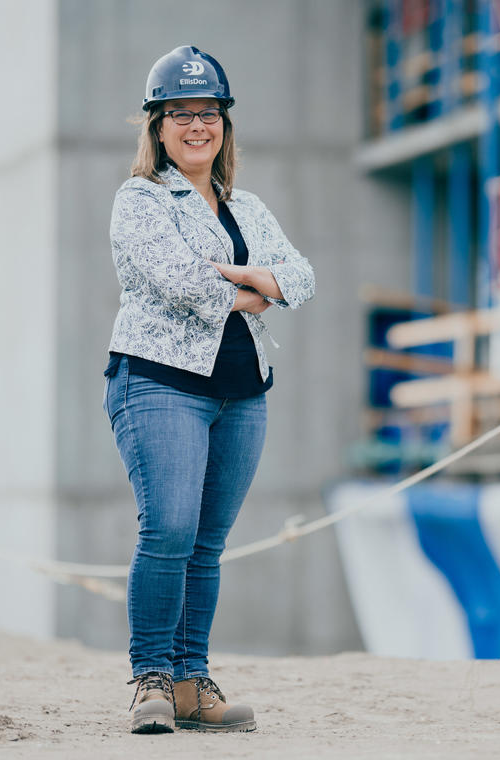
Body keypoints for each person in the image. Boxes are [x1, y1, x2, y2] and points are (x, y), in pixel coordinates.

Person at [102, 44, 315, 735]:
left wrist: (261, 281)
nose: (198, 125)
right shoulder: (139, 200)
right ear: (157, 126)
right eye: (181, 113)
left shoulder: (246, 206)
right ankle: (152, 680)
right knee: (168, 528)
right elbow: (181, 281)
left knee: (206, 543)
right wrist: (255, 286)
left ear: (225, 123)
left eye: (210, 113)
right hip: (160, 386)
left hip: (240, 393)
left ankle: (192, 682)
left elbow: (304, 278)